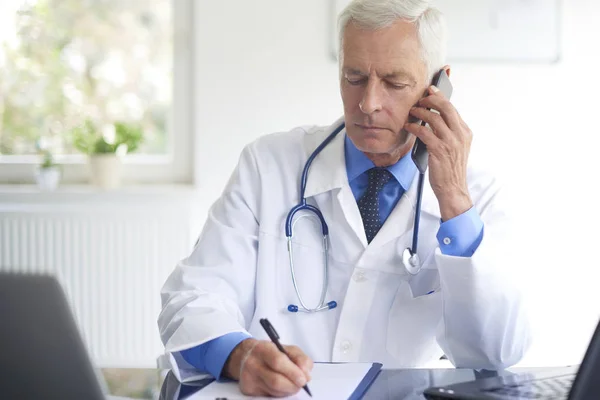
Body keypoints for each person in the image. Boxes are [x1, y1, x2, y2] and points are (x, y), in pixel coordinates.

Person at [158, 0, 531, 396]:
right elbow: (192, 299)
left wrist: (455, 203)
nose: (368, 104)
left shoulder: (476, 196)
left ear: (438, 86)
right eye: (354, 77)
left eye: (394, 82)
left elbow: (497, 352)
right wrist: (239, 353)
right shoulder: (268, 165)